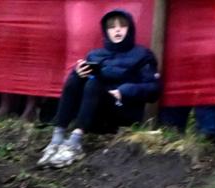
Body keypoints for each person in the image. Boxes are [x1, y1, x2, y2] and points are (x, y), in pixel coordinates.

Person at [39, 9, 158, 168]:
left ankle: (74, 143)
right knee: (74, 80)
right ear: (105, 30)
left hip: (122, 110)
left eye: (122, 26)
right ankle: (57, 139)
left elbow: (153, 89)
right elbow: (78, 86)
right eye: (112, 26)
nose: (117, 30)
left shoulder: (143, 55)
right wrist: (78, 73)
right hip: (95, 112)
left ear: (130, 29)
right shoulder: (95, 55)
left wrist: (125, 91)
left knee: (94, 84)